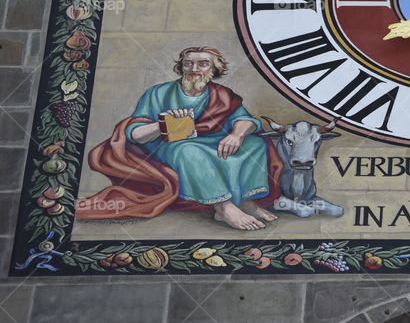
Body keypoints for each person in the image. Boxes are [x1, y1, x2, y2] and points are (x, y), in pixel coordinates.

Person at [78, 47, 281, 231]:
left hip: (211, 141)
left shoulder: (222, 94)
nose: (194, 68)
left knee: (254, 144)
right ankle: (224, 207)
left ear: (215, 68)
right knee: (189, 151)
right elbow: (134, 133)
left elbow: (246, 120)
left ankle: (245, 201)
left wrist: (236, 134)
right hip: (169, 146)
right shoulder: (158, 93)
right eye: (188, 63)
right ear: (181, 67)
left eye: (203, 64)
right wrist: (164, 124)